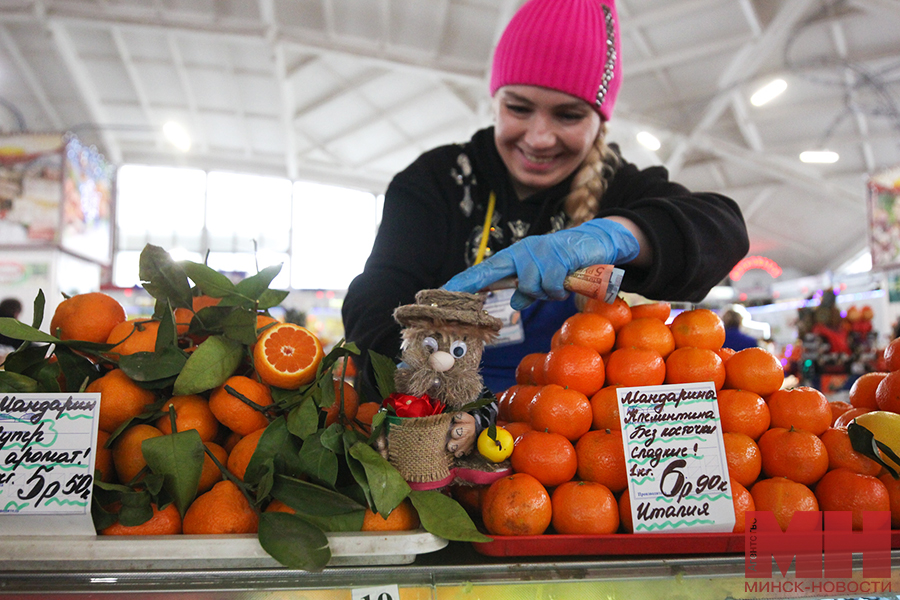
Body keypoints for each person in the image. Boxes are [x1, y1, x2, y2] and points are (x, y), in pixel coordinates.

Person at [342, 0, 749, 405]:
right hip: (440, 412)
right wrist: (413, 378)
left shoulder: (618, 185)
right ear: (495, 101)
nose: (539, 138)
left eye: (568, 116)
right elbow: (375, 296)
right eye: (518, 108)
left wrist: (618, 235)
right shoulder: (437, 179)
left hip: (563, 428)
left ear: (600, 121)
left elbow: (723, 228)